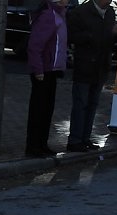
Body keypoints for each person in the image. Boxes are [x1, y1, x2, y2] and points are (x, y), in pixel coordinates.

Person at [65, 0, 117, 152]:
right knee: (81, 104)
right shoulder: (81, 12)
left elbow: (110, 38)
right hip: (85, 65)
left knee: (92, 105)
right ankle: (75, 140)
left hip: (101, 66)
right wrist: (92, 35)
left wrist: (116, 34)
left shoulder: (110, 12)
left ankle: (85, 138)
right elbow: (71, 36)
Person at [25, 0, 70, 158]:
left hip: (52, 69)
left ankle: (42, 144)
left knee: (47, 110)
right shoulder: (49, 15)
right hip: (43, 70)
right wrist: (38, 69)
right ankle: (33, 146)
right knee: (39, 110)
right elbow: (35, 45)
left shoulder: (59, 15)